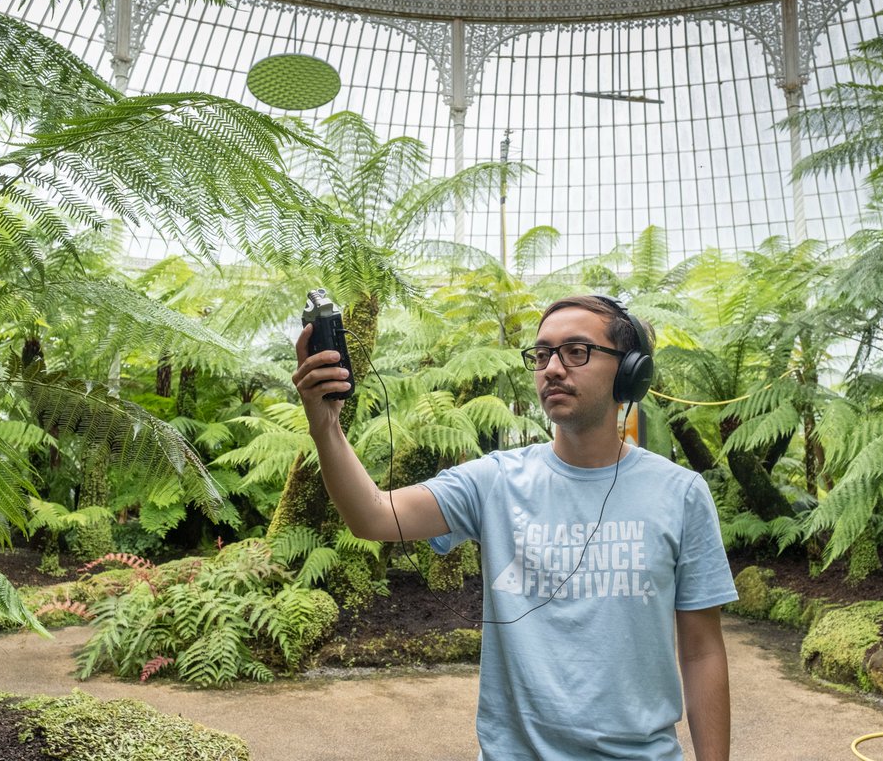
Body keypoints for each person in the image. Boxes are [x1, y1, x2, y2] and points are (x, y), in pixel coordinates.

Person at [293, 294, 736, 760]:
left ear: (630, 372)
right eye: (542, 354)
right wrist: (326, 427)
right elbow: (374, 516)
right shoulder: (494, 480)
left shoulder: (680, 493)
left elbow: (702, 651)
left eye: (577, 351)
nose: (553, 368)